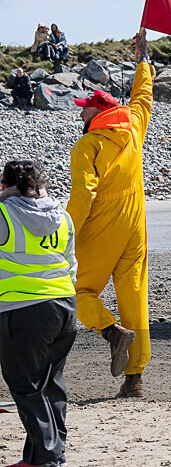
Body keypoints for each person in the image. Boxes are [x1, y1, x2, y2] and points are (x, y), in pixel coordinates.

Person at [67, 30, 154, 398]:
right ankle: (134, 379)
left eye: (85, 108)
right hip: (135, 228)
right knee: (134, 295)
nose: (81, 112)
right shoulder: (133, 127)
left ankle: (110, 330)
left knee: (77, 291)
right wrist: (143, 58)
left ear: (99, 112)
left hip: (101, 228)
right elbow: (143, 96)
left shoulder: (87, 145)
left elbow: (83, 195)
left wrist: (65, 232)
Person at [0, 159, 78, 467]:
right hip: (64, 306)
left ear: (4, 185)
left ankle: (46, 458)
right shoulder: (61, 214)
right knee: (51, 384)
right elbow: (71, 262)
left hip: (22, 308)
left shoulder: (4, 212)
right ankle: (46, 455)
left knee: (27, 386)